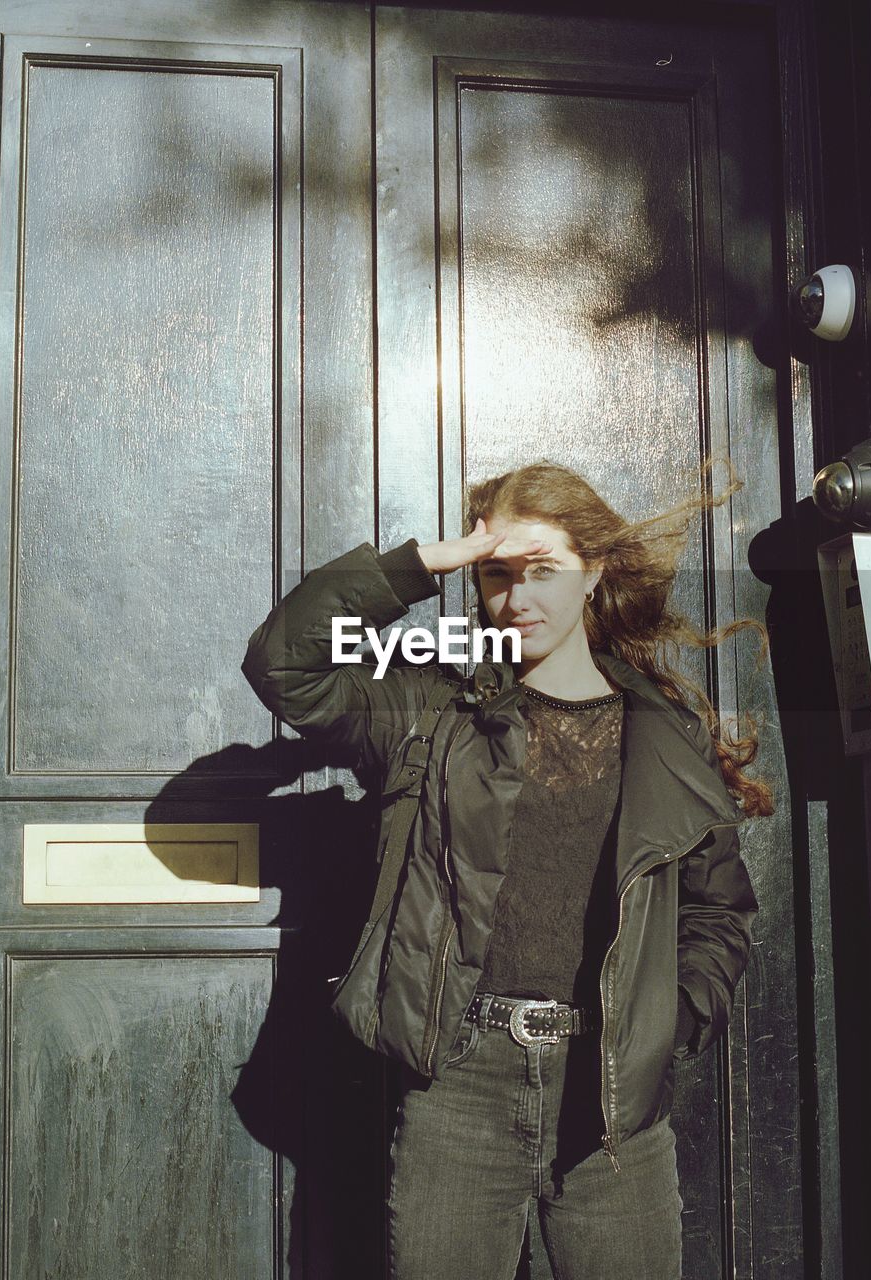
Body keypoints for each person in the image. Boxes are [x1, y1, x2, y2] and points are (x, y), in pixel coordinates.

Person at [241, 460, 771, 1280]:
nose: (517, 598)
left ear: (594, 572)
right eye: (495, 576)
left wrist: (674, 1022)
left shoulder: (667, 734)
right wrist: (425, 563)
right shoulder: (431, 710)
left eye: (543, 571)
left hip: (611, 1102)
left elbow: (718, 910)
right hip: (460, 1083)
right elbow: (284, 664)